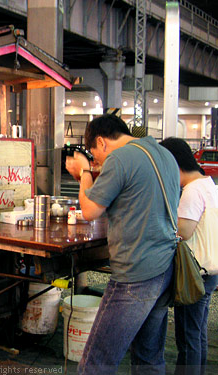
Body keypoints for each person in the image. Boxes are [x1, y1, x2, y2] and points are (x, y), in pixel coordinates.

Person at [65, 115, 180, 375]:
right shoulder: (164, 155)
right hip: (165, 268)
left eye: (95, 155)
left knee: (97, 362)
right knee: (148, 358)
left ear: (101, 142)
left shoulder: (120, 158)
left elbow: (91, 210)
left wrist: (84, 172)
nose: (98, 163)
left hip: (135, 274)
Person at [160, 137, 218, 375]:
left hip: (195, 274)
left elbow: (183, 232)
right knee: (198, 332)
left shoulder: (192, 191)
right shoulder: (209, 184)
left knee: (188, 337)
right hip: (210, 271)